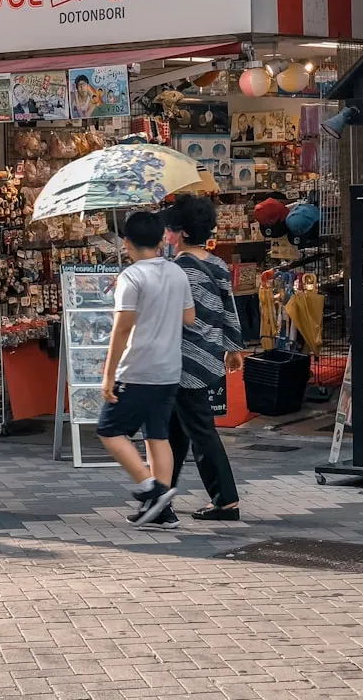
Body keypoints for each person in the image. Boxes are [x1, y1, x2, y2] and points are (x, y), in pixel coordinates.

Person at [98, 210, 195, 528]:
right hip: (169, 367)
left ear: (126, 242)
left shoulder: (132, 277)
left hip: (138, 367)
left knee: (109, 430)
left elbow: (121, 329)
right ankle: (162, 508)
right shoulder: (177, 273)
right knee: (157, 434)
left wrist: (109, 374)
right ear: (161, 239)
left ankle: (148, 485)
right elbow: (189, 317)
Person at [162, 195, 243, 523]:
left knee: (198, 431)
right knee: (176, 432)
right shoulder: (218, 265)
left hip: (181, 361)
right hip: (208, 356)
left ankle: (226, 500)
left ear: (180, 233)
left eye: (169, 231)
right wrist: (234, 348)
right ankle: (161, 497)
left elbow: (170, 317)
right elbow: (229, 308)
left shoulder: (176, 270)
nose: (166, 236)